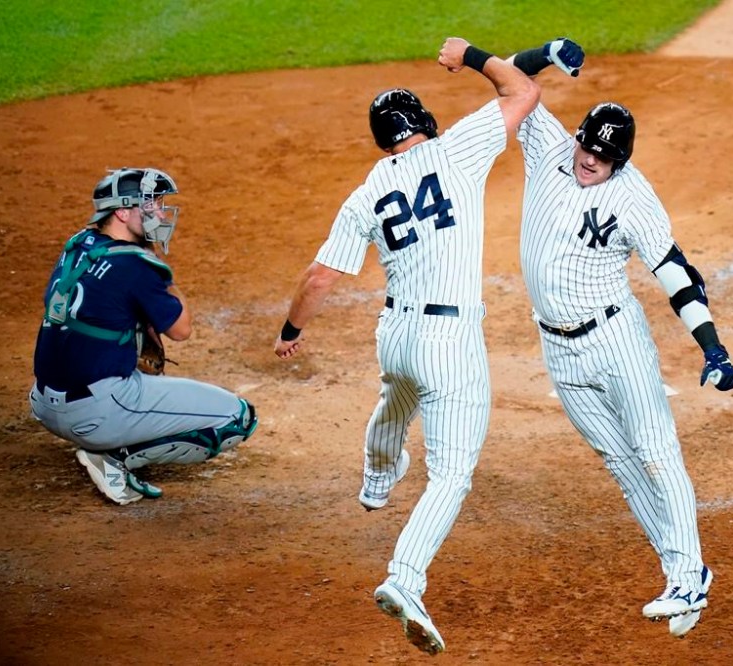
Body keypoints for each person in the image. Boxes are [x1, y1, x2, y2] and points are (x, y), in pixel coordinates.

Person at [273, 38, 540, 655]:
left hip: (395, 334)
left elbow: (319, 279)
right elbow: (520, 90)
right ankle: (406, 579)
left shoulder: (365, 193)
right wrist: (472, 56)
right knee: (451, 475)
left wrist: (291, 332)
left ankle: (375, 476)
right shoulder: (458, 150)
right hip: (450, 340)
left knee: (396, 396)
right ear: (423, 125)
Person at [507, 39, 733, 638]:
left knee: (657, 450)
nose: (588, 161)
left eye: (603, 157)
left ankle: (688, 574)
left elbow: (676, 274)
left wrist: (712, 346)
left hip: (616, 340)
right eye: (587, 146)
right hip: (558, 347)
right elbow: (509, 79)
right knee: (618, 458)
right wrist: (547, 52)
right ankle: (685, 574)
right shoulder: (550, 148)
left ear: (622, 162)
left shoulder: (634, 198)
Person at [29, 167, 258, 506]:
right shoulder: (137, 264)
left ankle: (103, 434)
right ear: (123, 211)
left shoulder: (78, 243)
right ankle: (112, 457)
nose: (161, 214)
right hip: (94, 411)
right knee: (238, 418)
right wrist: (160, 268)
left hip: (43, 403)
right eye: (152, 205)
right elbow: (181, 329)